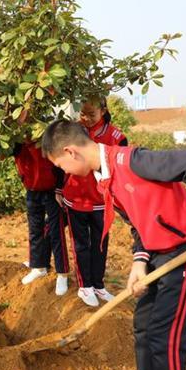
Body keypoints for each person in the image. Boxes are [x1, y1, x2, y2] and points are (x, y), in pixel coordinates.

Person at [42, 120, 186, 370]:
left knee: (165, 339)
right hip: (158, 253)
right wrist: (139, 262)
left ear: (71, 152)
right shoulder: (104, 179)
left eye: (61, 166)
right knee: (143, 327)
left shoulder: (133, 162)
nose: (66, 173)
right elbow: (137, 222)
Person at [62, 98, 127, 307]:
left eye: (92, 114)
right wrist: (58, 188)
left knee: (100, 244)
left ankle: (98, 285)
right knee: (80, 244)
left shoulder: (116, 136)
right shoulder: (72, 132)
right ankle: (85, 286)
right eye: (83, 114)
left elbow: (122, 168)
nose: (87, 119)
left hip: (102, 201)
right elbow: (60, 161)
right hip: (76, 198)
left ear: (103, 111)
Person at [13, 139, 70, 296]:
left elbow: (59, 164)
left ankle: (62, 273)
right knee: (35, 230)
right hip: (32, 190)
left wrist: (59, 189)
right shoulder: (15, 137)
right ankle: (39, 267)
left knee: (56, 233)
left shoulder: (45, 134)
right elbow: (6, 154)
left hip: (51, 191)